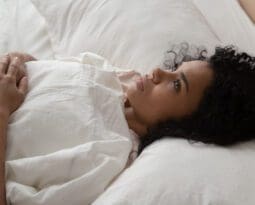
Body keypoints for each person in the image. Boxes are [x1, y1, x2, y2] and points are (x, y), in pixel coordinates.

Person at [0, 43, 254, 204]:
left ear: (189, 125)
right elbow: (48, 76)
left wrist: (2, 109)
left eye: (176, 84)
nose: (157, 72)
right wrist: (20, 62)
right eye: (175, 68)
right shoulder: (115, 78)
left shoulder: (105, 156)